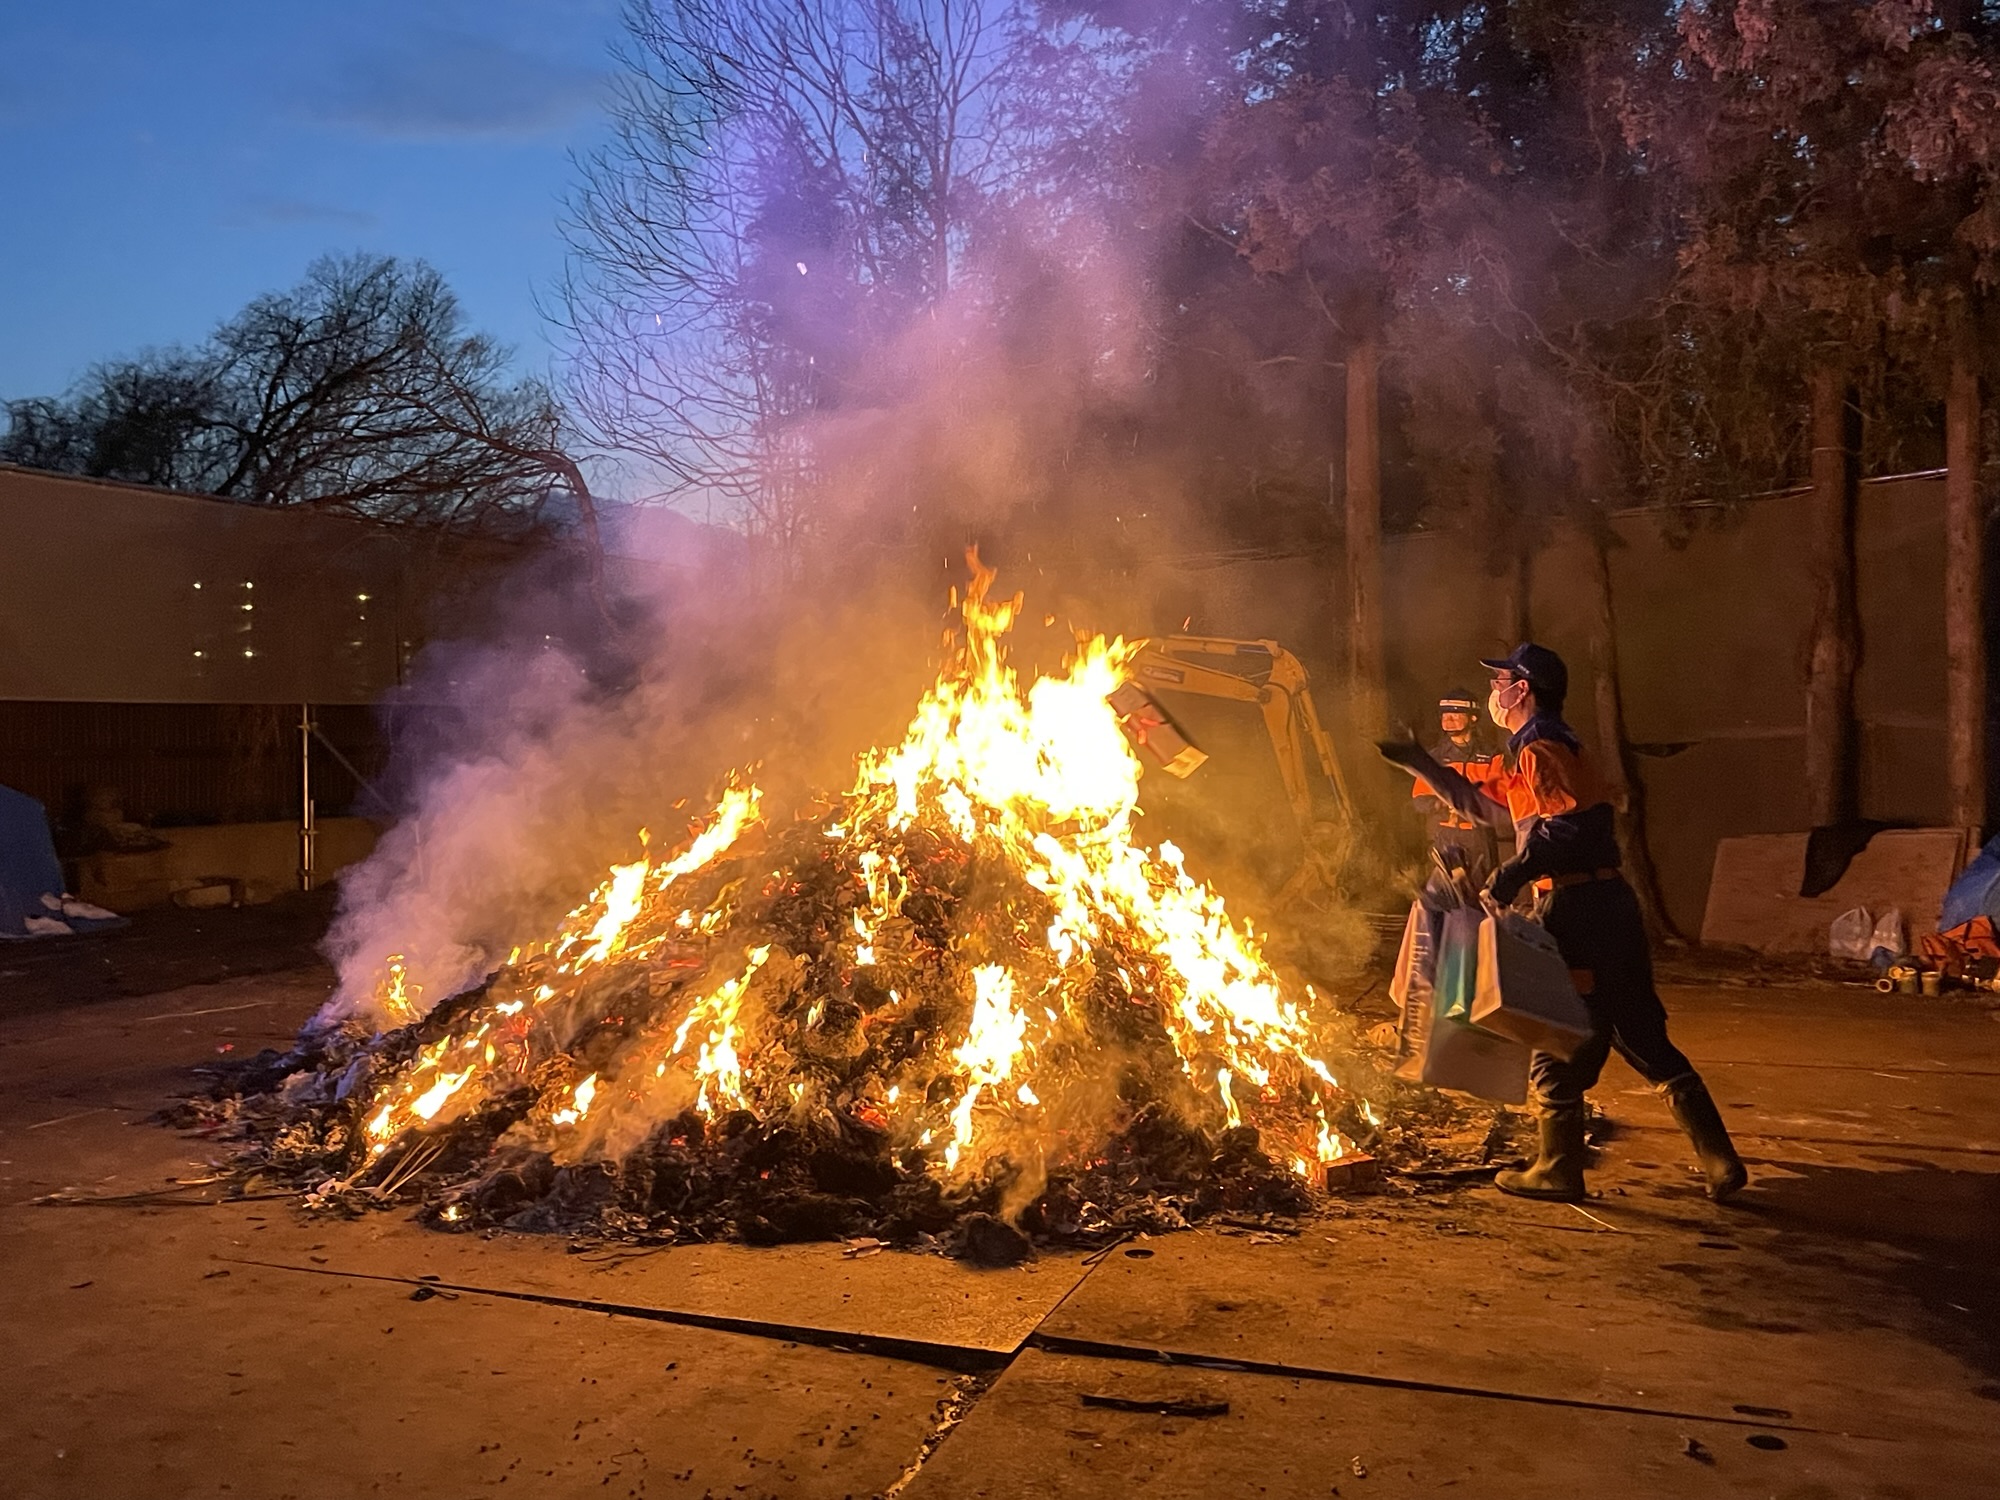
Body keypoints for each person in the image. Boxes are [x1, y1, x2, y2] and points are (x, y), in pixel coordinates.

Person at [1377, 643, 1748, 1205]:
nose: (1493, 692)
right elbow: (1487, 806)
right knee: (1639, 1029)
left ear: (1521, 689)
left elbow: (1569, 828)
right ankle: (1719, 1159)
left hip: (1575, 908)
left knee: (1556, 1030)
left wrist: (1511, 874)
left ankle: (1557, 1167)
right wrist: (1419, 763)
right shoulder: (1549, 747)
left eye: (1499, 681)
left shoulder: (1540, 747)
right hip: (1610, 903)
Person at [1410, 689, 1504, 889]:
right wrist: (1443, 803)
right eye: (1444, 716)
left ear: (1472, 718)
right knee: (1446, 895)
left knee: (1483, 893)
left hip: (1479, 836)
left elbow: (1501, 795)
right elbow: (1419, 800)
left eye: (1454, 715)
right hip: (1443, 835)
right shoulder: (1434, 758)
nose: (1448, 720)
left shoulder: (1491, 755)